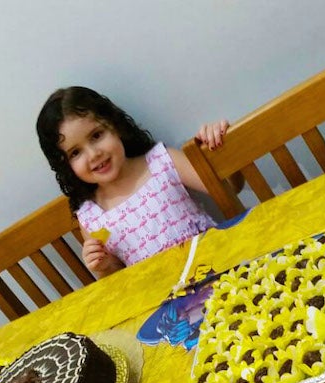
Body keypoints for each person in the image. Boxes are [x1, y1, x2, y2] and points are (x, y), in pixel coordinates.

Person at [36, 86, 229, 279]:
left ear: (115, 126)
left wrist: (217, 150)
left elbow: (228, 189)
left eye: (96, 135)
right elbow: (118, 279)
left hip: (223, 272)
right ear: (65, 166)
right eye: (75, 153)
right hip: (166, 303)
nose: (94, 154)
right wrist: (103, 266)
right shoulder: (91, 217)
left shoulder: (162, 161)